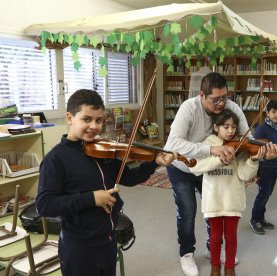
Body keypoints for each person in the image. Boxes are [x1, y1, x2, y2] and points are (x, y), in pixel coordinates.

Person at [36, 89, 175, 276]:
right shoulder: (56, 159)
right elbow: (45, 205)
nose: (94, 126)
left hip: (108, 240)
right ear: (70, 118)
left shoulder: (102, 152)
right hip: (79, 247)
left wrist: (154, 163)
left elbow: (130, 178)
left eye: (99, 120)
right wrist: (91, 198)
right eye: (87, 119)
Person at [163, 72, 277, 276]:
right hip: (183, 166)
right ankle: (187, 253)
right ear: (202, 95)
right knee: (188, 212)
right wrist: (211, 150)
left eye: (224, 97)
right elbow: (172, 144)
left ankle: (213, 249)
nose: (221, 103)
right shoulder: (189, 108)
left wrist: (262, 153)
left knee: (215, 207)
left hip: (213, 166)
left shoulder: (231, 107)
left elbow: (247, 139)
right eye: (215, 99)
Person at [189, 109, 265, 276]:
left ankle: (229, 268)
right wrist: (219, 158)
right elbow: (195, 168)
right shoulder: (207, 144)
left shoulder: (240, 146)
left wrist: (253, 160)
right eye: (226, 126)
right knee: (215, 237)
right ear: (216, 127)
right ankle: (215, 268)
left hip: (233, 199)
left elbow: (244, 175)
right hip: (214, 200)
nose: (231, 131)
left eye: (234, 127)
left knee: (231, 237)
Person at [249, 99, 277, 235]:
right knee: (263, 194)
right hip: (263, 167)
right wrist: (255, 171)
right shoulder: (261, 129)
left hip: (275, 167)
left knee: (267, 194)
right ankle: (254, 220)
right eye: (274, 112)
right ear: (267, 112)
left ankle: (261, 218)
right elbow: (255, 151)